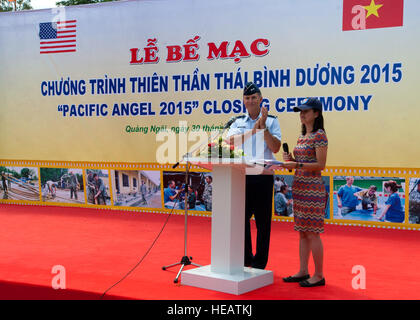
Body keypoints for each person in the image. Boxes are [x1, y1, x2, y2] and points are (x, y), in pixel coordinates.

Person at [227, 82, 281, 270]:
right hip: (242, 176)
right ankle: (246, 258)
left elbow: (275, 147)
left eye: (253, 98)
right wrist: (253, 130)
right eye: (247, 98)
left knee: (263, 223)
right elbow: (230, 142)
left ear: (261, 99)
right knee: (241, 220)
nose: (250, 101)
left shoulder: (272, 121)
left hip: (263, 176)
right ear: (243, 100)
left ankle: (259, 264)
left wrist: (263, 128)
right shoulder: (237, 121)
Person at [281, 97, 328, 287]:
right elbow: (299, 164)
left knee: (313, 233)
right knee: (302, 232)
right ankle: (303, 270)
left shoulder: (320, 135)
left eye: (306, 111)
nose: (302, 114)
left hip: (313, 190)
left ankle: (318, 275)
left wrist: (297, 163)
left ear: (316, 113)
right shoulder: (302, 136)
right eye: (300, 111)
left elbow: (321, 165)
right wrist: (290, 161)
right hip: (299, 188)